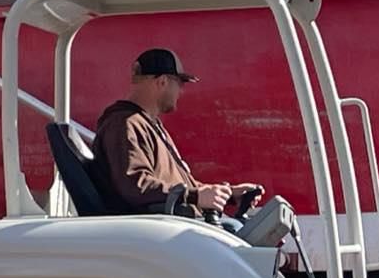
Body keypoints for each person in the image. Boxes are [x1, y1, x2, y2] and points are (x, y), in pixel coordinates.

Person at [92, 48, 262, 220]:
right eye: (180, 83)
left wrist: (228, 194)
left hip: (174, 224)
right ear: (163, 81)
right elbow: (136, 185)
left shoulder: (148, 124)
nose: (181, 91)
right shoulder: (124, 125)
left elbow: (179, 186)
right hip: (159, 231)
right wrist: (194, 196)